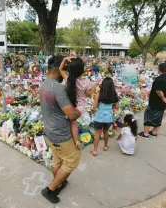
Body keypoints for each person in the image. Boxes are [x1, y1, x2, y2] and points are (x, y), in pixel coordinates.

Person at [39, 56, 81, 204]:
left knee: (58, 159)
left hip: (50, 133)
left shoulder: (44, 84)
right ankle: (50, 189)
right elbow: (71, 114)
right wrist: (80, 112)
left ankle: (59, 182)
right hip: (60, 135)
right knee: (72, 160)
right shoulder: (58, 88)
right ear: (59, 69)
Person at [59, 56, 99, 150]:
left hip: (68, 106)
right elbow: (89, 95)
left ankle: (68, 139)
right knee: (74, 124)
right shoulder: (86, 82)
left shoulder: (68, 79)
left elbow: (61, 69)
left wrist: (65, 59)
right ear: (82, 70)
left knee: (68, 123)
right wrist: (95, 85)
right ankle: (76, 141)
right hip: (79, 107)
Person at [139, 63, 166, 138]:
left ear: (160, 70)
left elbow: (159, 91)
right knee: (159, 116)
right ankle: (154, 132)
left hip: (155, 102)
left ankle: (146, 134)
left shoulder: (159, 79)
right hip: (163, 103)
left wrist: (162, 98)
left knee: (148, 116)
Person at [91, 77, 119, 156]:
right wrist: (112, 107)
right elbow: (117, 106)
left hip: (99, 118)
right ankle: (105, 146)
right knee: (106, 132)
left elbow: (94, 107)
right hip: (108, 118)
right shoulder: (114, 95)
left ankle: (95, 151)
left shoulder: (98, 95)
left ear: (102, 85)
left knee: (97, 134)